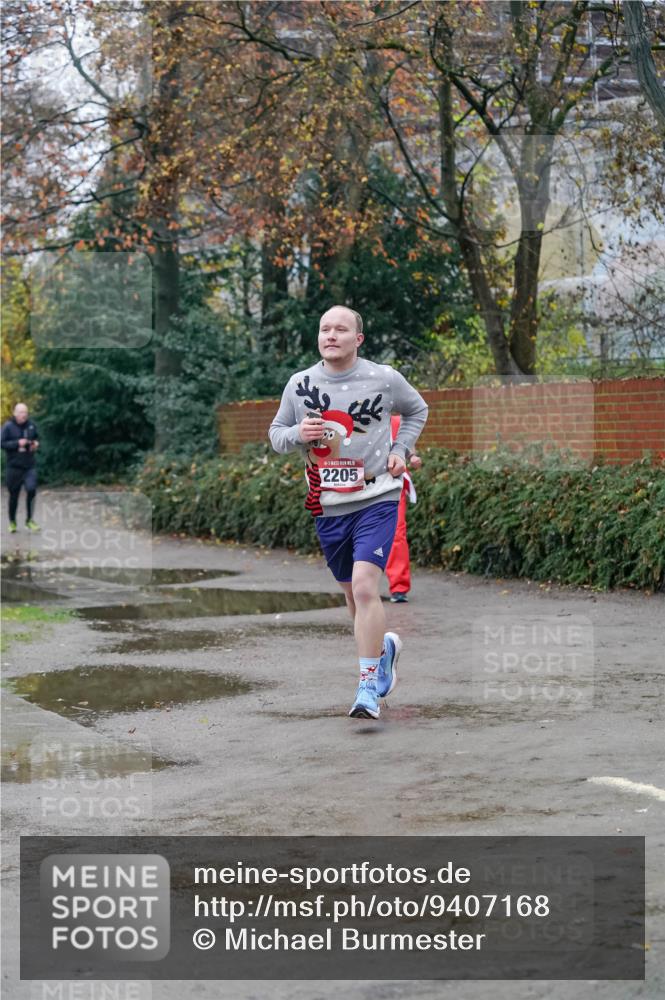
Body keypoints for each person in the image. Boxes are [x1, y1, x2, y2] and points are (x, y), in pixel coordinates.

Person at [269, 305, 428, 719]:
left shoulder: (383, 377)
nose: (331, 335)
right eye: (324, 328)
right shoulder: (299, 384)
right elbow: (275, 434)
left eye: (341, 329)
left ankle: (367, 690)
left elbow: (417, 411)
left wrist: (400, 450)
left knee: (363, 587)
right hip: (328, 504)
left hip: (377, 496)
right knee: (353, 597)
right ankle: (384, 655)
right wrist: (295, 434)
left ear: (358, 339)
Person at [385, 413, 422, 603]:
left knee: (397, 533)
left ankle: (399, 587)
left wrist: (413, 457)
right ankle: (356, 585)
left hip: (393, 484)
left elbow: (409, 448)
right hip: (363, 483)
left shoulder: (397, 421)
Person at [1, 402, 40, 533]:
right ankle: (12, 522)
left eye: (26, 412)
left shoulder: (31, 425)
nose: (24, 415)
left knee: (32, 489)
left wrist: (35, 444)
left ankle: (29, 520)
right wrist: (17, 443)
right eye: (21, 412)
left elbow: (36, 438)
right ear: (15, 413)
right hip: (14, 467)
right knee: (14, 495)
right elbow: (2, 443)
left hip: (29, 465)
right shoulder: (8, 426)